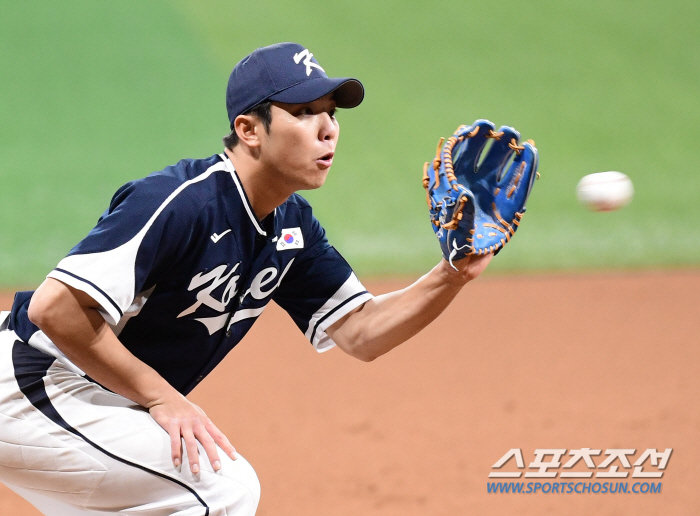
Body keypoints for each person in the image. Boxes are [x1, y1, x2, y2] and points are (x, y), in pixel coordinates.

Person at [0, 42, 491, 516]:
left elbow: (361, 332)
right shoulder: (184, 201)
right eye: (303, 112)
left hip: (84, 402)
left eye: (332, 114)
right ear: (249, 129)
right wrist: (161, 397)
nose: (327, 130)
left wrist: (451, 275)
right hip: (32, 381)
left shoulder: (292, 225)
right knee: (222, 490)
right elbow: (55, 308)